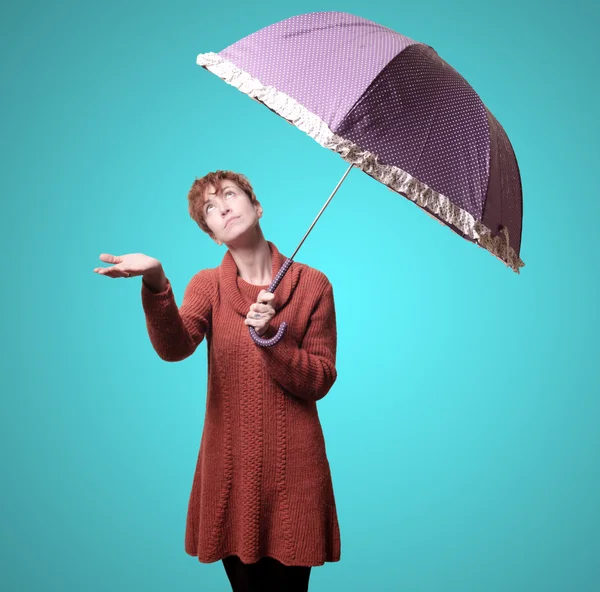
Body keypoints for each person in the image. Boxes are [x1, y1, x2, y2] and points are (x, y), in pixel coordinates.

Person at [93, 171, 341, 591]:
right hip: (230, 475)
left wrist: (270, 340)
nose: (223, 206)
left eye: (230, 195)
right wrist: (156, 280)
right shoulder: (207, 286)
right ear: (211, 233)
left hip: (295, 477)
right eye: (209, 207)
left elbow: (319, 379)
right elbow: (175, 346)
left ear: (256, 207)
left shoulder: (313, 285)